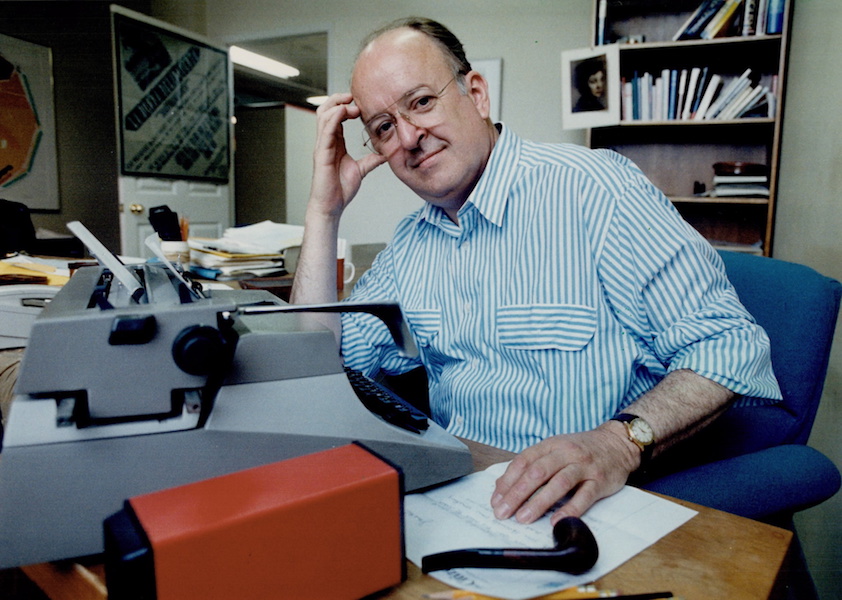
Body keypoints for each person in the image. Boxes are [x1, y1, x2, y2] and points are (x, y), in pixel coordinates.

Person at [289, 17, 781, 527]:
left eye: (421, 102)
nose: (409, 137)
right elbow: (318, 368)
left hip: (585, 508)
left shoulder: (595, 190)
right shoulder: (410, 244)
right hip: (456, 497)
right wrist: (323, 212)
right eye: (384, 128)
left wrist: (619, 442)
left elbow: (728, 346)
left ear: (476, 94)